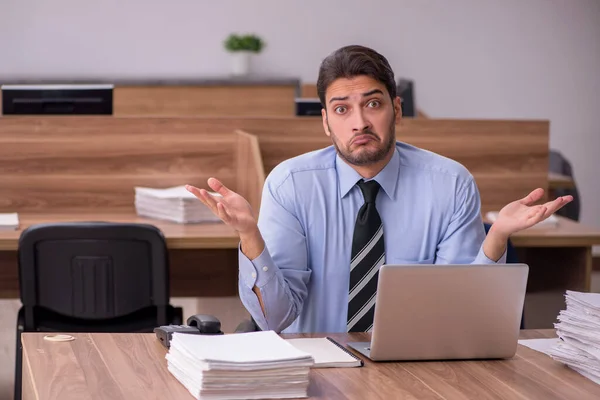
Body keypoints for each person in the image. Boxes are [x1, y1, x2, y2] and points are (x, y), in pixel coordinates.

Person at [186, 45, 572, 334]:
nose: (359, 122)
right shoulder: (290, 185)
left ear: (397, 109)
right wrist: (250, 235)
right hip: (314, 369)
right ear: (325, 122)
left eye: (373, 104)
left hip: (415, 371)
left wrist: (498, 236)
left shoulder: (451, 184)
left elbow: (462, 316)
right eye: (341, 109)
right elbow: (275, 319)